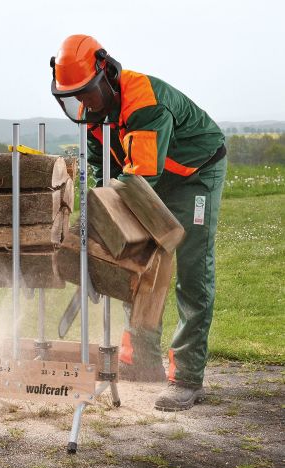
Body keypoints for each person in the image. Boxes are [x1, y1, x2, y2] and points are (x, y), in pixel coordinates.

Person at [50, 34, 227, 411]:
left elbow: (141, 181)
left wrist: (113, 222)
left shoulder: (144, 101)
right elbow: (101, 170)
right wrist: (95, 220)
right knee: (138, 261)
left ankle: (187, 377)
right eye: (75, 95)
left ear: (107, 75)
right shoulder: (90, 113)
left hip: (195, 174)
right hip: (144, 176)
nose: (83, 102)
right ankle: (143, 361)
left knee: (191, 269)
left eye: (88, 92)